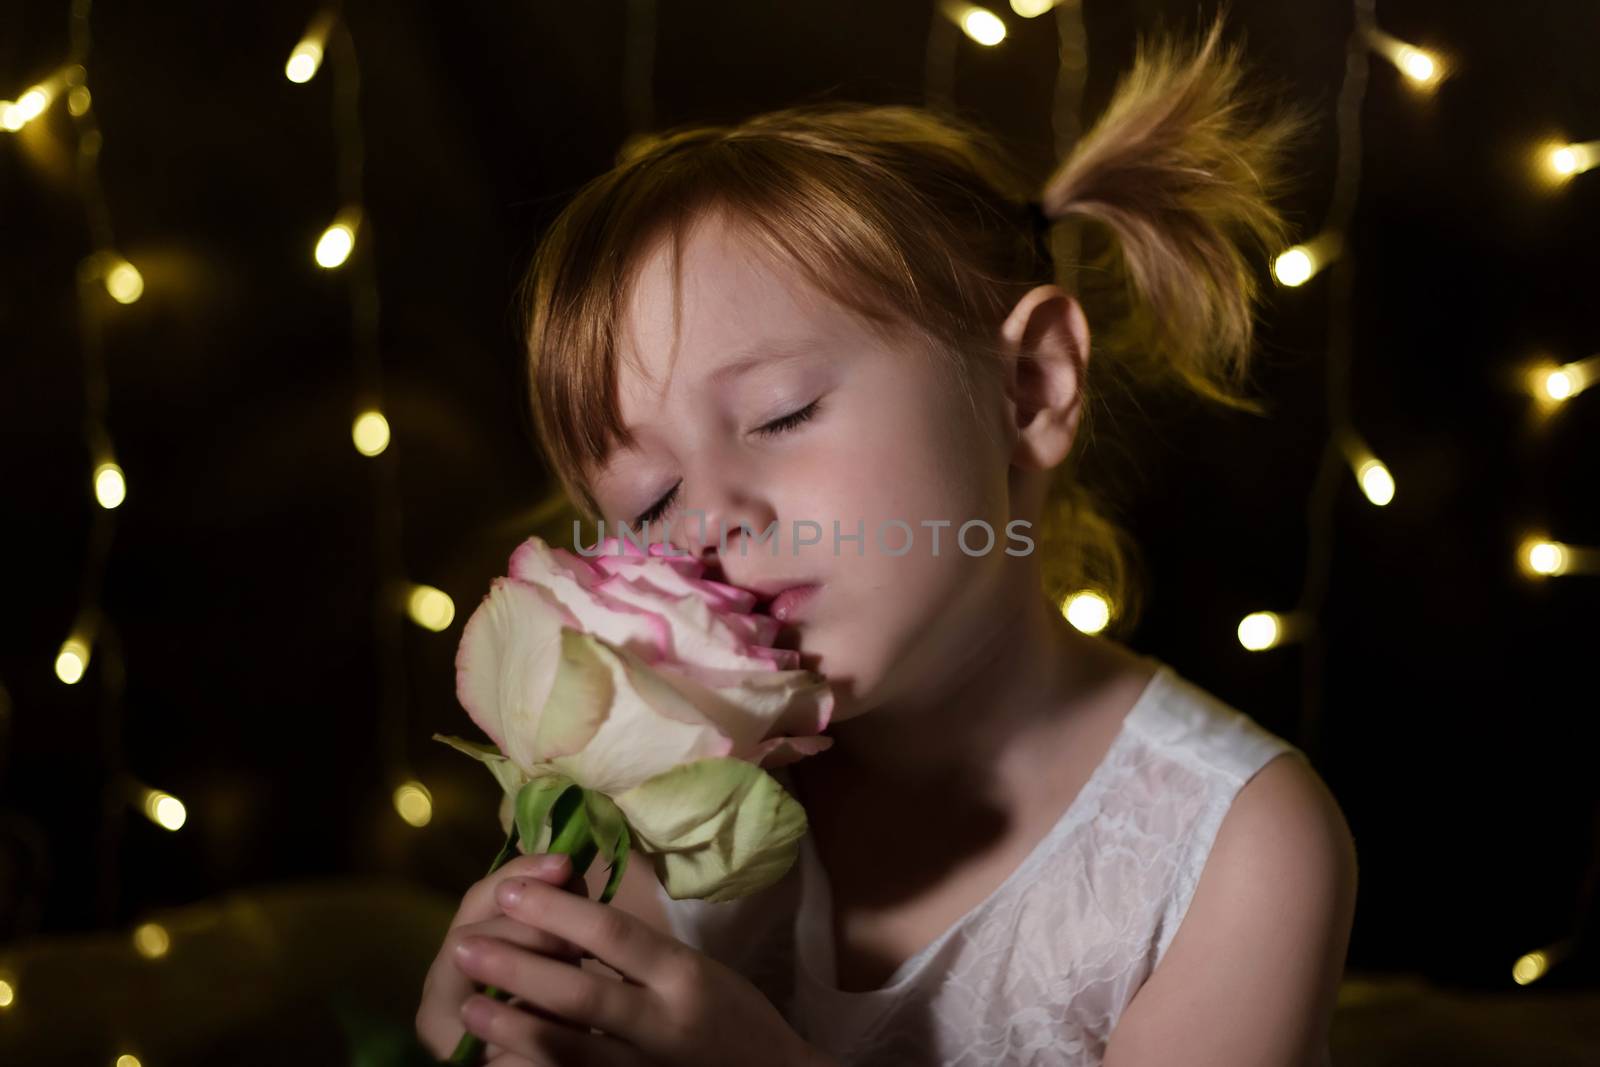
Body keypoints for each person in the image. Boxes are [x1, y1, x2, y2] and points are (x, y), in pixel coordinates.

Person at [416, 10, 1357, 1066]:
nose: (710, 517)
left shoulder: (1234, 848)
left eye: (779, 415)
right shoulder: (667, 790)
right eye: (648, 498)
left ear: (1029, 386)